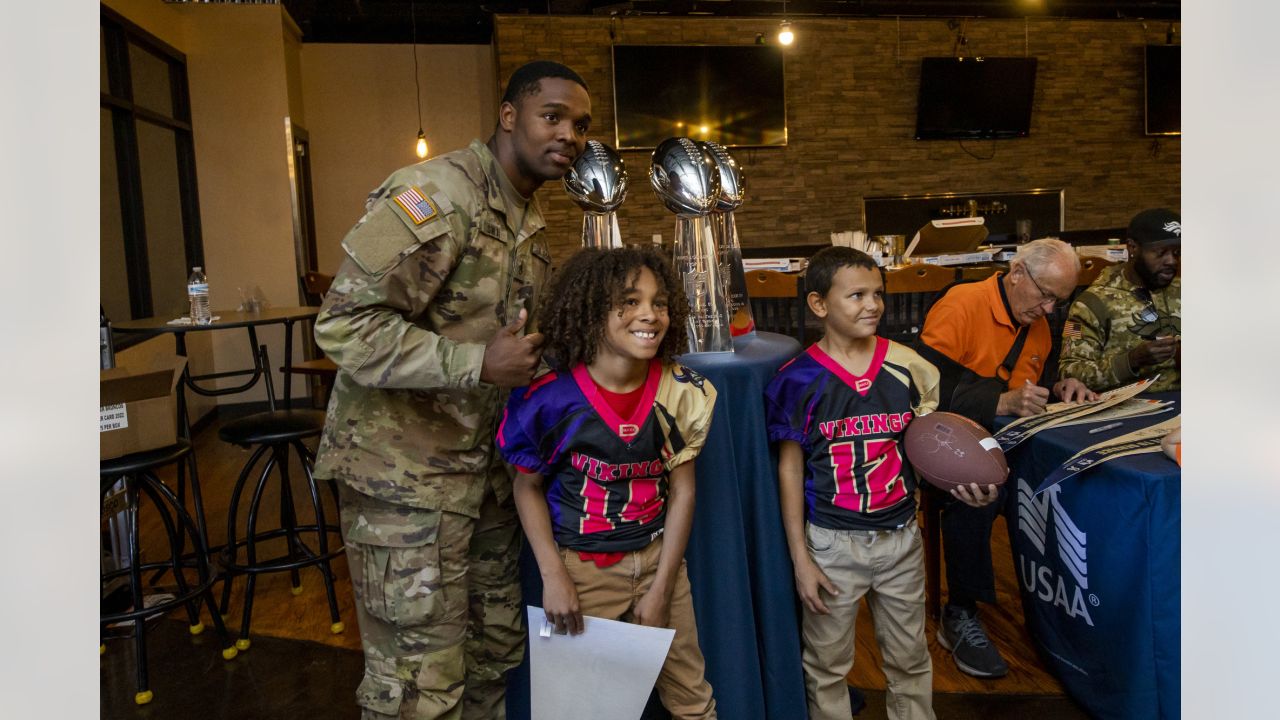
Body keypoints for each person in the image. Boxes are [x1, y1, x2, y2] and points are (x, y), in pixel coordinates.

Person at [311, 61, 592, 719]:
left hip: (487, 481)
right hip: (404, 488)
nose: (569, 135)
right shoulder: (436, 196)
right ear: (509, 116)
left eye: (580, 125)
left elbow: (511, 341)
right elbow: (344, 325)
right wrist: (474, 363)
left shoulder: (528, 215)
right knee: (417, 688)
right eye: (552, 116)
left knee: (493, 658)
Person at [765, 247, 997, 720]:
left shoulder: (911, 367)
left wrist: (967, 484)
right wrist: (800, 558)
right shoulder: (796, 380)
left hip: (899, 539)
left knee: (910, 658)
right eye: (856, 295)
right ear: (818, 305)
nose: (872, 305)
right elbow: (788, 470)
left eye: (877, 294)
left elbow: (935, 450)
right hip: (832, 544)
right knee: (827, 664)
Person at [497, 247, 719, 719]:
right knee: (584, 710)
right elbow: (526, 486)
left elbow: (684, 490)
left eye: (659, 303)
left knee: (693, 701)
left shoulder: (680, 391)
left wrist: (661, 589)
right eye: (630, 301)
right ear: (593, 309)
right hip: (584, 568)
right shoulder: (551, 399)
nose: (649, 315)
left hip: (659, 559)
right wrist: (554, 576)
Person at [916, 238, 1096, 679]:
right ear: (1017, 272)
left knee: (1066, 478)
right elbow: (926, 390)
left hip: (1011, 433)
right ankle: (961, 610)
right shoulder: (962, 303)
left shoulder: (1037, 319)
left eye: (1060, 299)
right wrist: (1002, 401)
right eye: (1045, 294)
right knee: (981, 487)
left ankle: (1055, 601)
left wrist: (1061, 387)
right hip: (948, 436)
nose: (1050, 309)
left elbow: (1037, 379)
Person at [1058, 208, 1181, 393]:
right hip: (1129, 410)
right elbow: (1068, 374)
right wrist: (1131, 361)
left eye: (1177, 252)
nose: (1171, 261)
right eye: (1161, 252)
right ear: (1132, 248)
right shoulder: (1089, 303)